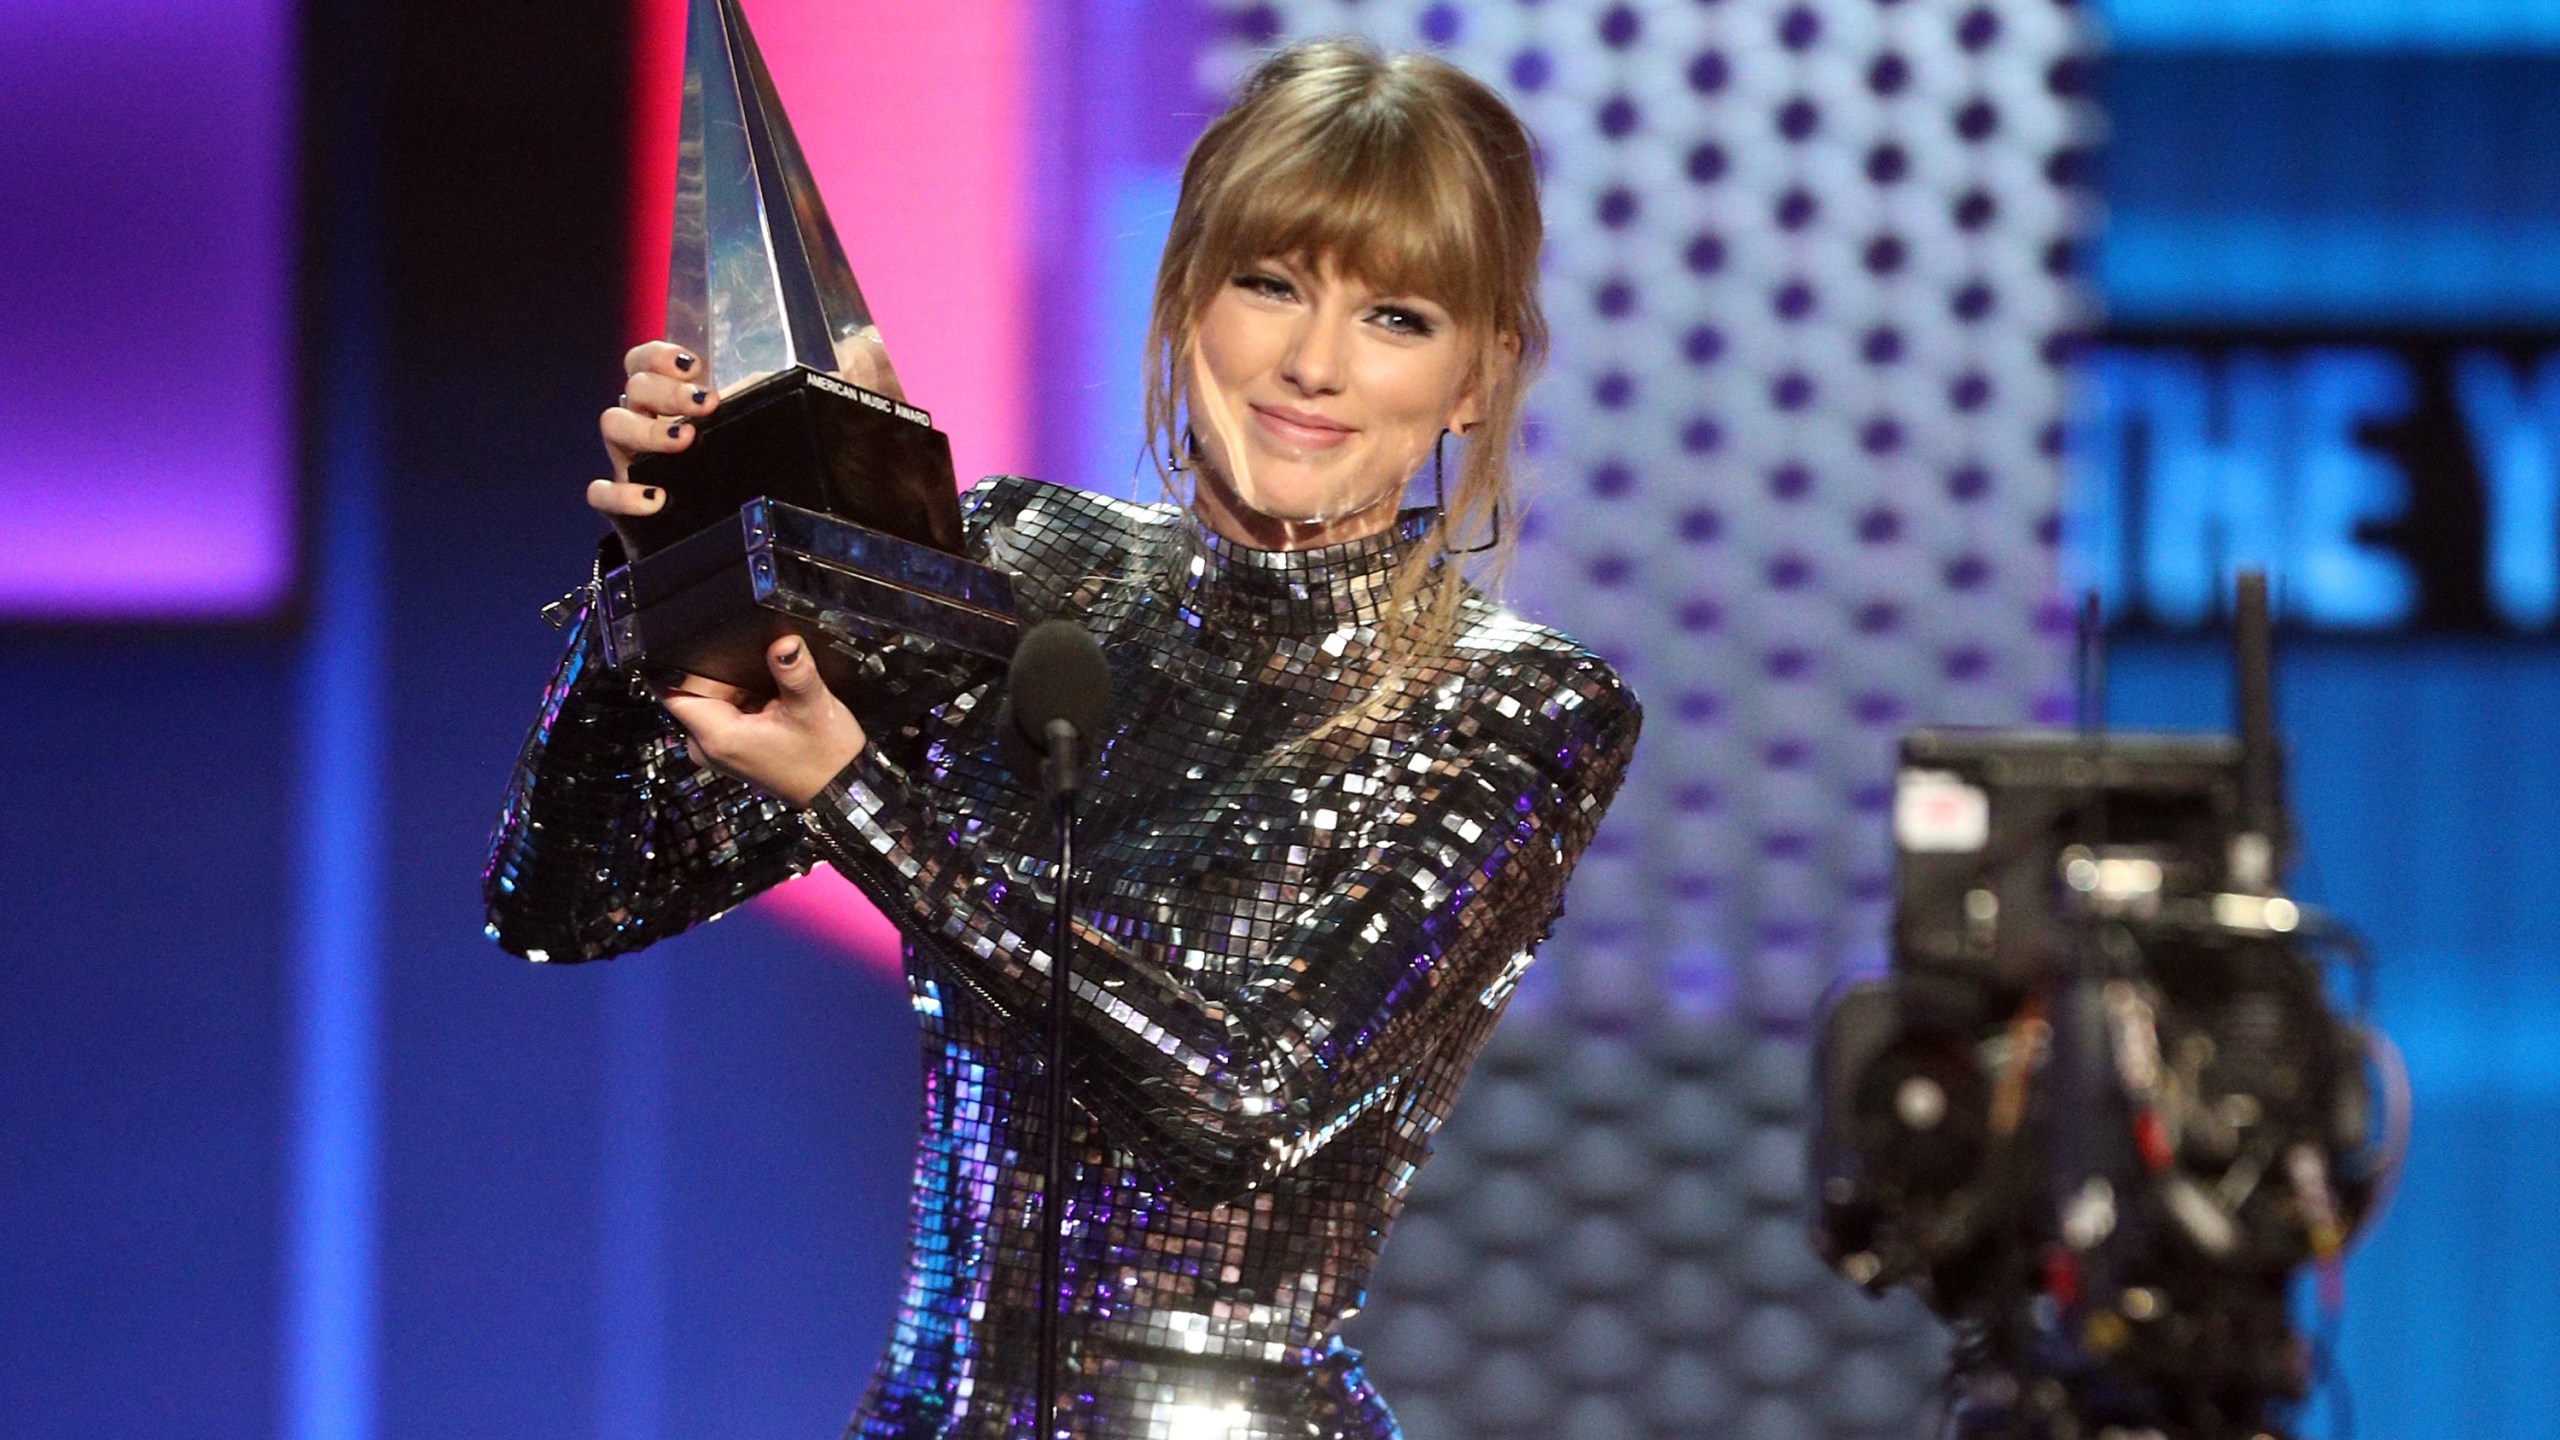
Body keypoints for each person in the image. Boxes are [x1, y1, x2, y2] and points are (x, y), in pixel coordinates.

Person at [485, 40, 1640, 1440]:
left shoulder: (1516, 708)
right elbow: (570, 899)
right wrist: (671, 562)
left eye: (1397, 317)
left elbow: (1238, 1108)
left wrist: (860, 799)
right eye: (1267, 284)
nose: (1314, 365)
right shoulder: (1021, 560)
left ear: (1481, 374)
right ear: (1185, 296)